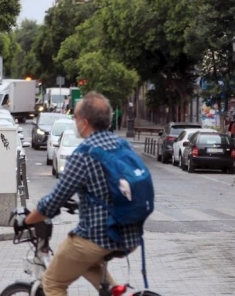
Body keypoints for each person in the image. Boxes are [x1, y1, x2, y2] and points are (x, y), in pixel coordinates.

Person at [17, 92, 143, 296]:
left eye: (75, 118)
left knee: (53, 281)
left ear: (84, 122)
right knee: (85, 264)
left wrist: (28, 220)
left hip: (97, 237)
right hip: (129, 235)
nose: (75, 123)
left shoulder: (85, 153)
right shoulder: (122, 145)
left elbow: (54, 201)